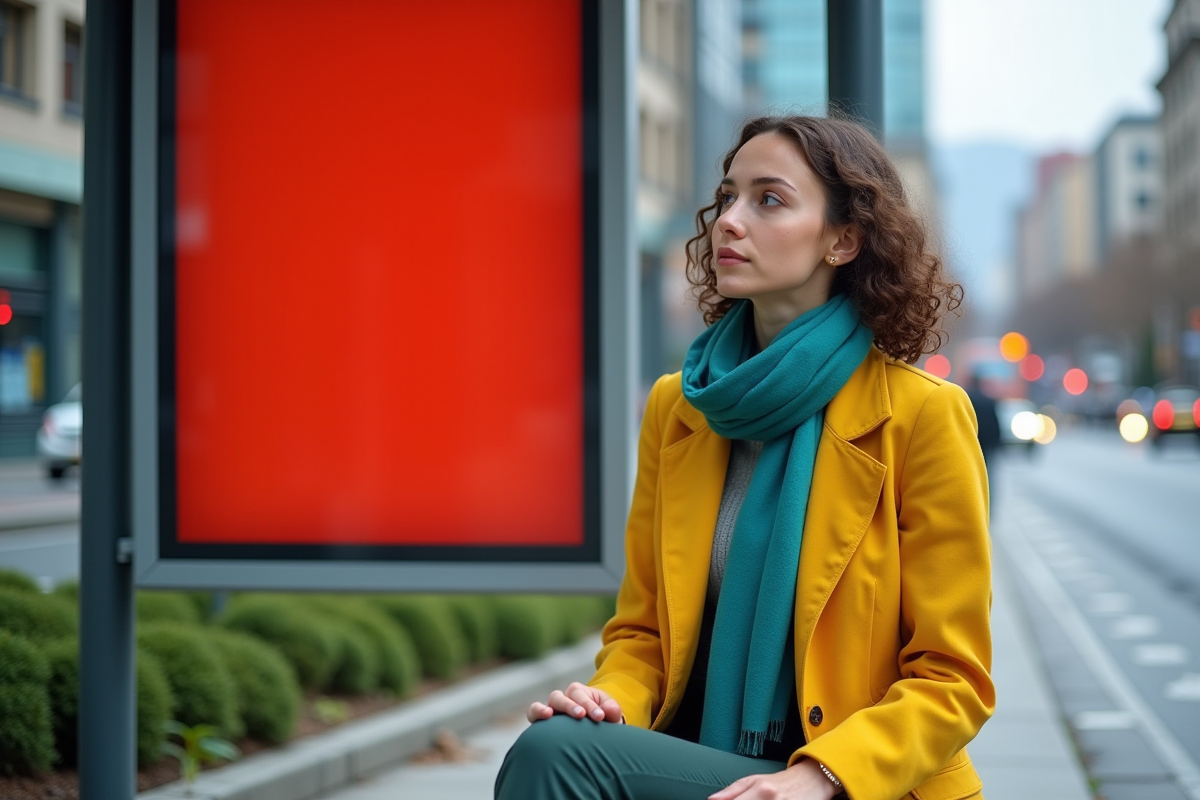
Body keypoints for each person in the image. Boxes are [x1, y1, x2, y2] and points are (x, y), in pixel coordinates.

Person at [495, 115, 993, 800]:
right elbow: (642, 635)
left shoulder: (921, 416)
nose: (729, 220)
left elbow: (954, 677)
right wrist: (607, 702)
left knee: (557, 761)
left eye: (769, 199)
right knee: (560, 743)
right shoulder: (680, 408)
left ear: (843, 240)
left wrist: (818, 776)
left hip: (853, 782)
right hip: (710, 764)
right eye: (728, 196)